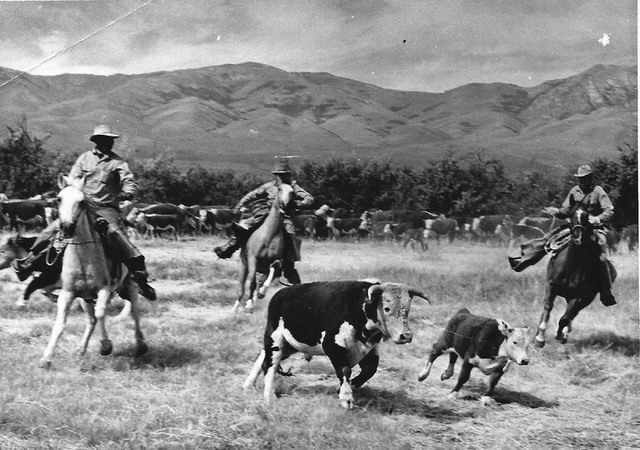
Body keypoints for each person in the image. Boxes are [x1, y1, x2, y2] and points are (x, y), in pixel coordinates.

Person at [12, 125, 157, 301]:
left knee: (114, 232)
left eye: (110, 140)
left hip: (106, 208)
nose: (109, 143)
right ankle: (29, 262)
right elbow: (72, 180)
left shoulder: (118, 162)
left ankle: (138, 272)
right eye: (105, 140)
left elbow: (128, 180)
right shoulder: (84, 159)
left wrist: (128, 192)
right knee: (52, 229)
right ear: (97, 141)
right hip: (83, 206)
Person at [509, 164, 615, 306]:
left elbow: (609, 210)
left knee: (602, 257)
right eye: (580, 179)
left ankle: (605, 291)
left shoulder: (598, 191)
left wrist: (597, 219)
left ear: (590, 178)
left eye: (585, 178)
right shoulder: (574, 191)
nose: (582, 181)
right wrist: (556, 212)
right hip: (575, 227)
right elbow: (566, 210)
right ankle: (523, 260)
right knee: (548, 239)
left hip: (594, 229)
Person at [214, 157, 313, 284]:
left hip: (285, 218)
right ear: (275, 175)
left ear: (288, 175)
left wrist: (300, 203)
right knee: (245, 227)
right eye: (279, 174)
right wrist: (241, 203)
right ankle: (231, 246)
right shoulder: (269, 186)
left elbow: (308, 197)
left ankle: (289, 268)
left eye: (284, 174)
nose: (281, 177)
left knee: (290, 235)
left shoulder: (293, 187)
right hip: (266, 215)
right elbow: (253, 194)